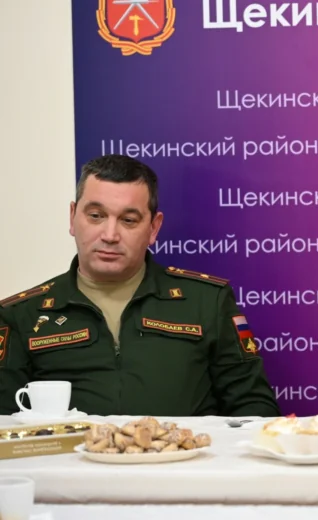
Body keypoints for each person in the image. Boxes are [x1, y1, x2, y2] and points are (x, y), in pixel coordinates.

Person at [0, 155, 280, 417]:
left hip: (184, 454)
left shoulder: (207, 301)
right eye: (96, 215)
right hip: (68, 455)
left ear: (154, 228)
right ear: (73, 217)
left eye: (128, 220)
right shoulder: (21, 315)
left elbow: (255, 409)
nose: (110, 235)